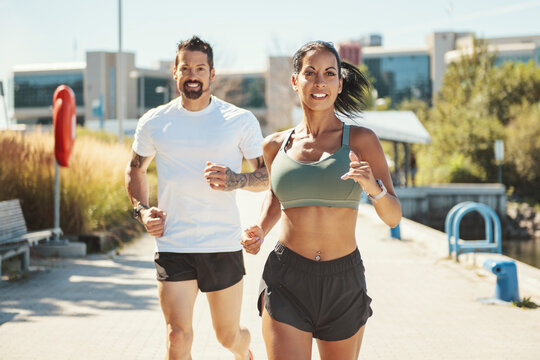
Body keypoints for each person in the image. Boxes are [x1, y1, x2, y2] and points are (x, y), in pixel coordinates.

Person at [241, 41, 402, 360]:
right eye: (310, 73)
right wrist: (260, 228)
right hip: (286, 277)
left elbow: (394, 216)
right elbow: (276, 195)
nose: (319, 82)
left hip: (343, 280)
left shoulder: (361, 140)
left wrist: (373, 187)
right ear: (294, 80)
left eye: (329, 73)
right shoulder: (275, 145)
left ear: (339, 84)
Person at [125, 36, 267, 360]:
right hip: (174, 244)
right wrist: (142, 211)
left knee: (228, 336)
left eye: (200, 68)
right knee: (177, 337)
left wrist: (236, 179)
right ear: (175, 73)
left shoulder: (239, 120)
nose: (193, 74)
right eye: (185, 67)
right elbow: (134, 170)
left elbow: (265, 178)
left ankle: (244, 352)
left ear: (212, 74)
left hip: (222, 244)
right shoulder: (154, 121)